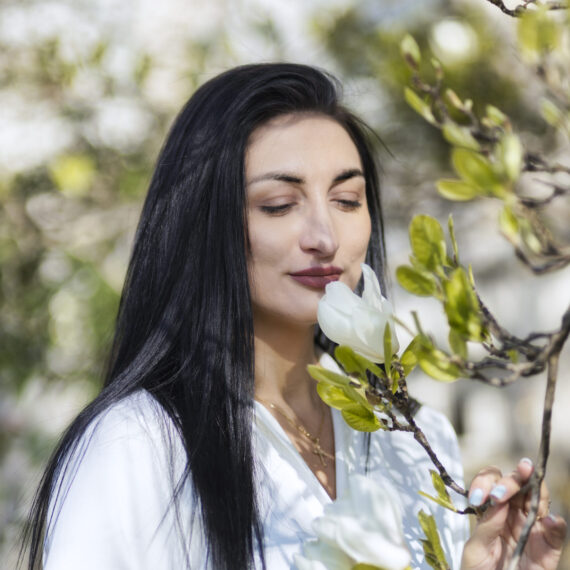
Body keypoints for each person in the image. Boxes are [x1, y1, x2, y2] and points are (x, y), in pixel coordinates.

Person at [23, 63, 565, 570]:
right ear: (204, 224)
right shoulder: (136, 446)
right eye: (280, 204)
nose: (324, 237)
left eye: (347, 200)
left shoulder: (415, 439)